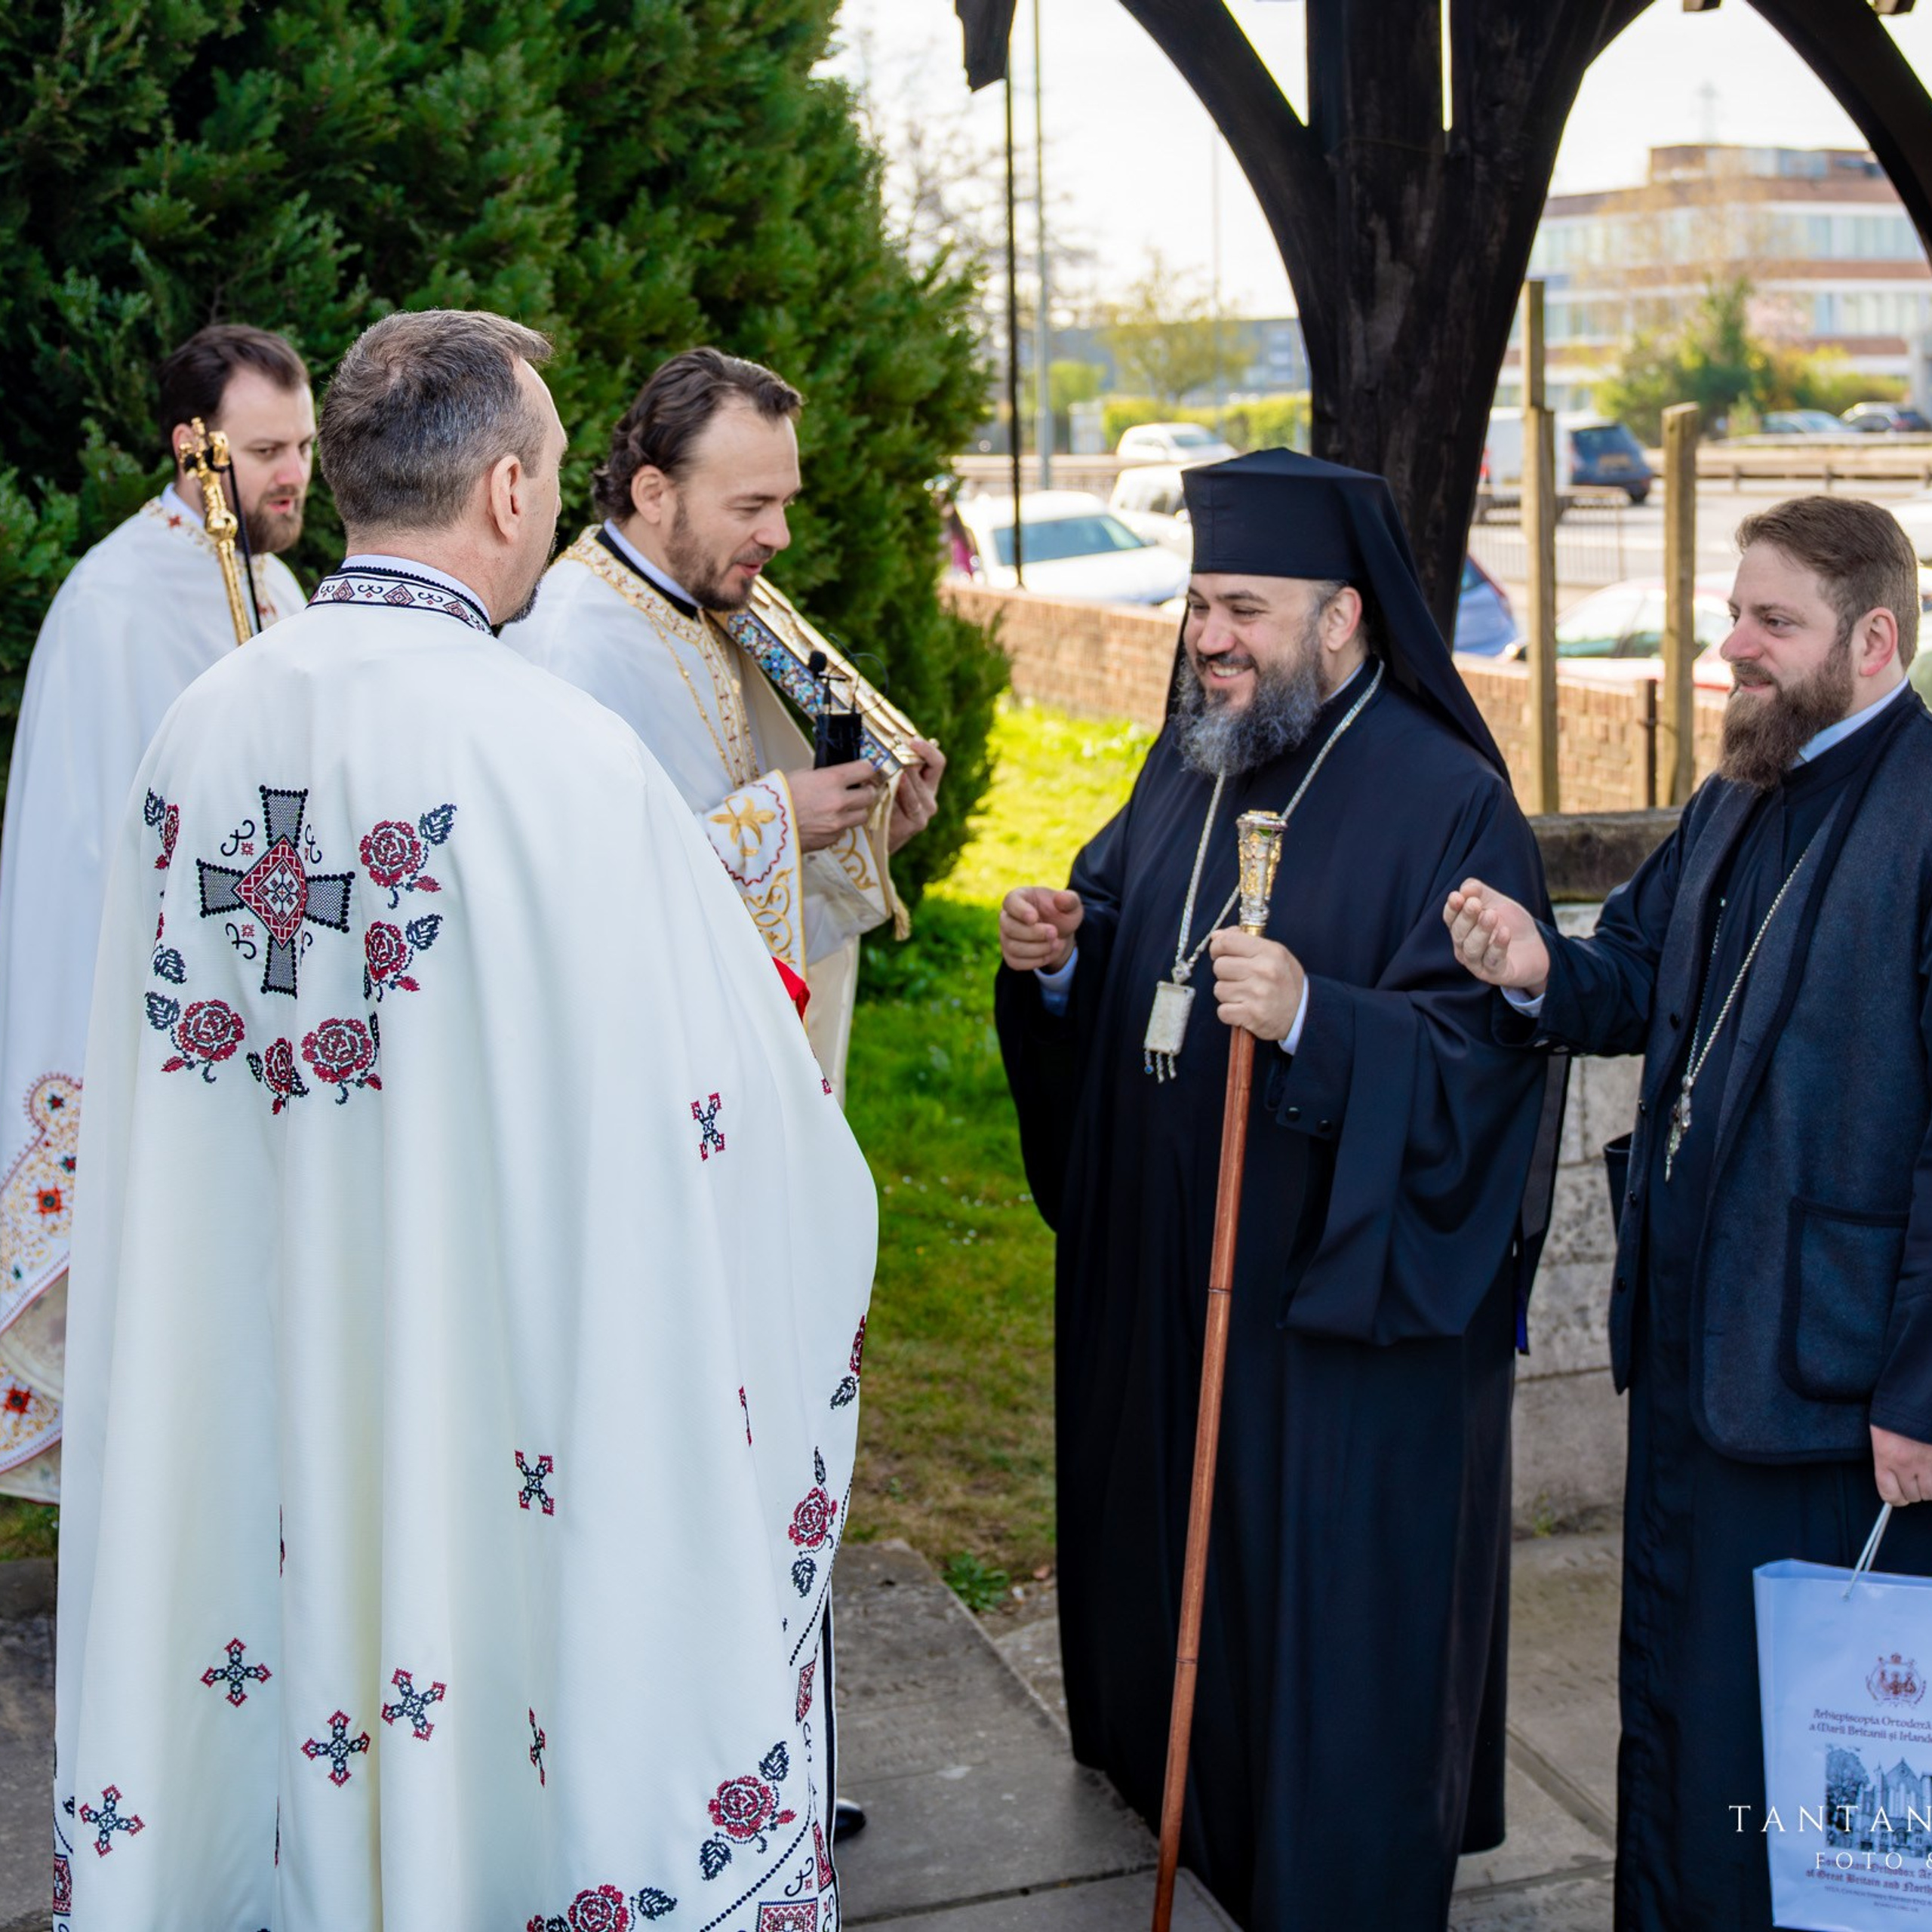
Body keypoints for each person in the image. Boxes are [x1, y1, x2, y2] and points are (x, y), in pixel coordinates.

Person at [53, 309, 875, 1930]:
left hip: (255, 1350)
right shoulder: (554, 755)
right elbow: (723, 1124)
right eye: (557, 468)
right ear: (509, 491)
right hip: (486, 1378)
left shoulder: (202, 730)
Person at [995, 449, 1561, 1931]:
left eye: (1242, 605)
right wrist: (1063, 959)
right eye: (1194, 605)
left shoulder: (1445, 799)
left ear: (1344, 620)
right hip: (1172, 1265)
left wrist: (1317, 1015)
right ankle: (1184, 1796)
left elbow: (1486, 1052)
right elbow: (1139, 923)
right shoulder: (1198, 753)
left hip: (1323, 1298)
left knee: (1315, 1620)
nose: (1208, 638)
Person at [1445, 494, 1932, 1932]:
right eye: (1734, 614)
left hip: (1842, 1394)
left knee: (1821, 1773)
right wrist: (1537, 960)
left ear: (1875, 637)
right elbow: (1634, 974)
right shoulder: (1734, 793)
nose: (1734, 647)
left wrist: (1921, 1386)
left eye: (1773, 622)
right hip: (1691, 1355)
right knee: (1684, 1711)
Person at [0, 322, 314, 1502]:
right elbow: (91, 854)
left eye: (306, 447)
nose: (294, 475)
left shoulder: (273, 582)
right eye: (267, 449)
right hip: (165, 1022)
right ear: (194, 443)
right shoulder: (115, 602)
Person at [502, 347, 945, 1097]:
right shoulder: (565, 642)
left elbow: (738, 875)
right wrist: (776, 819)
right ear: (653, 493)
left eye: (785, 504)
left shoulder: (710, 604)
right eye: (750, 506)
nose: (780, 536)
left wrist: (860, 828)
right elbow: (565, 904)